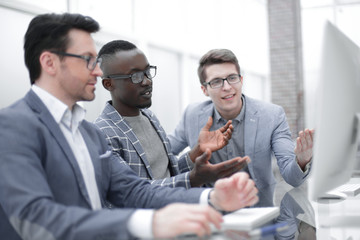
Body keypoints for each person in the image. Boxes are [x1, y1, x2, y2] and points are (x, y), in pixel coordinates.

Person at [0, 13, 259, 240]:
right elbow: (34, 217)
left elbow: (134, 190)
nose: (98, 72)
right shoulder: (13, 126)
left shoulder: (88, 134)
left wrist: (211, 199)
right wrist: (151, 222)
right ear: (49, 63)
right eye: (88, 60)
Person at [168, 48, 314, 207]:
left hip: (259, 213)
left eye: (232, 78)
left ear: (241, 80)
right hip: (210, 212)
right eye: (216, 81)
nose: (227, 87)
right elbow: (163, 160)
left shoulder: (272, 115)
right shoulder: (192, 115)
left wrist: (302, 160)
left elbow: (292, 178)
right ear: (204, 90)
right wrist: (193, 154)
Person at [94, 40, 249, 188]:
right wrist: (192, 179)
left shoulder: (149, 117)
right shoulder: (102, 134)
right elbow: (130, 192)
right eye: (135, 76)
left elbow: (169, 172)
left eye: (147, 72)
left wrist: (198, 150)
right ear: (109, 84)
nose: (147, 81)